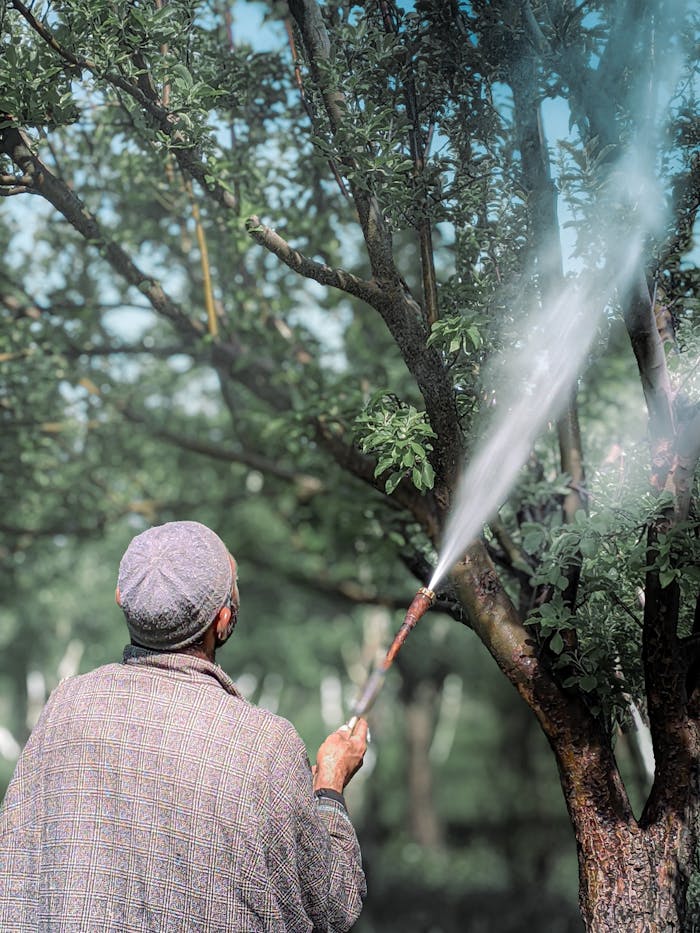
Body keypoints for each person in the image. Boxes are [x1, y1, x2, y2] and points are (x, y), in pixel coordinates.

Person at [0, 520, 368, 931]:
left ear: (122, 598)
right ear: (224, 620)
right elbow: (334, 905)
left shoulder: (66, 706)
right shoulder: (266, 745)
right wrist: (329, 789)